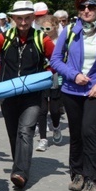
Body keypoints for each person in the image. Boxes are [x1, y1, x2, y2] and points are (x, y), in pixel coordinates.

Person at [0, 0, 55, 190]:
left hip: (32, 94)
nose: (23, 22)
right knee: (14, 132)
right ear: (13, 19)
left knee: (26, 131)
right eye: (19, 18)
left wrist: (46, 73)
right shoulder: (4, 37)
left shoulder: (42, 38)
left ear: (33, 18)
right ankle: (19, 166)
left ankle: (20, 173)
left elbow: (55, 59)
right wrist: (0, 71)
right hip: (8, 93)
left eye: (27, 18)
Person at [50, 0, 96, 191]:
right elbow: (55, 60)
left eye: (91, 6)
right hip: (72, 90)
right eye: (82, 7)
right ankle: (77, 173)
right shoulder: (71, 30)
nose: (87, 11)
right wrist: (74, 75)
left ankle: (93, 178)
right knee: (76, 133)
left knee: (89, 129)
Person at [35, 15, 63, 152]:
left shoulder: (60, 41)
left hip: (57, 78)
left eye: (48, 28)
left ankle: (56, 127)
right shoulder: (39, 39)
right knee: (42, 110)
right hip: (42, 77)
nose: (45, 31)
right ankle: (43, 139)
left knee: (55, 110)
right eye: (42, 28)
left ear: (55, 27)